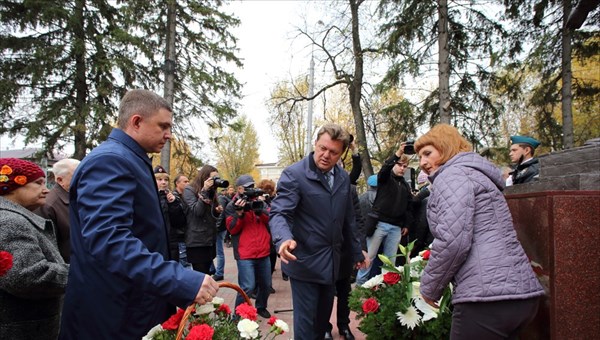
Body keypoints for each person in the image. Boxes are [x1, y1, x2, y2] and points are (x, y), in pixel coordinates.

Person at [59, 89, 218, 339]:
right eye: (163, 126)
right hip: (113, 315)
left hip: (132, 306)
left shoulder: (130, 159)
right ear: (136, 122)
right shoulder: (110, 161)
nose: (169, 135)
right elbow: (110, 241)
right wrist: (179, 280)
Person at [415, 124, 545, 339]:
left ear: (446, 148)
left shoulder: (453, 175)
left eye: (428, 153)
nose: (423, 163)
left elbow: (453, 240)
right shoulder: (476, 174)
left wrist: (429, 288)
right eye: (420, 157)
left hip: (487, 298)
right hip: (519, 294)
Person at [269, 123, 368, 339]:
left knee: (321, 324)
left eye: (333, 152)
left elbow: (349, 220)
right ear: (315, 144)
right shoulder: (294, 174)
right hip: (304, 262)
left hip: (332, 264)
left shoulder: (342, 178)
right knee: (306, 328)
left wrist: (358, 251)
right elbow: (279, 213)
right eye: (322, 148)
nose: (325, 155)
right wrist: (283, 238)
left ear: (341, 154)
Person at [0, 158, 69, 339]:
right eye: (38, 183)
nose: (46, 190)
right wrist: (81, 272)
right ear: (11, 186)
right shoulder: (9, 222)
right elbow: (28, 277)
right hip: (22, 330)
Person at [325, 140, 368, 340]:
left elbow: (358, 221)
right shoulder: (316, 187)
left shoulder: (349, 189)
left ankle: (343, 325)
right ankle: (325, 327)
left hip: (344, 251)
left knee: (344, 291)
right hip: (323, 252)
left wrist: (361, 249)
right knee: (325, 293)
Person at [355, 144, 415, 285]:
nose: (402, 168)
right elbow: (384, 169)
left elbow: (408, 206)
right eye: (399, 164)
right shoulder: (385, 179)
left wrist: (406, 224)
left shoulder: (405, 186)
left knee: (390, 263)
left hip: (396, 227)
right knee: (368, 258)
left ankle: (386, 291)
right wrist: (397, 153)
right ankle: (359, 288)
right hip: (379, 224)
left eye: (405, 166)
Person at [225, 174, 272, 319]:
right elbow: (232, 229)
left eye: (252, 186)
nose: (251, 189)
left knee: (266, 285)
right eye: (247, 187)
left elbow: (270, 221)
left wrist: (260, 210)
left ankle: (261, 307)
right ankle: (237, 315)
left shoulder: (259, 202)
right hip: (245, 254)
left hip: (263, 251)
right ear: (239, 189)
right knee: (247, 287)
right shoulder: (232, 205)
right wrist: (239, 214)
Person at [35, 157, 80, 263]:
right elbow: (47, 248)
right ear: (60, 180)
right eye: (78, 175)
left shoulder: (78, 197)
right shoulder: (49, 205)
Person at [183, 165, 221, 274]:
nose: (215, 181)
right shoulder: (189, 190)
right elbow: (197, 211)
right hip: (197, 241)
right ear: (205, 177)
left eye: (217, 178)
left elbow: (209, 214)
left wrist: (216, 211)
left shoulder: (212, 191)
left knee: (207, 274)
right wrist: (204, 190)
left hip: (209, 240)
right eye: (213, 178)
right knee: (200, 276)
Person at [155, 165, 187, 263]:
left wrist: (173, 205)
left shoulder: (172, 198)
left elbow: (180, 223)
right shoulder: (148, 197)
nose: (163, 182)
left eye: (166, 179)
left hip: (171, 242)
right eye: (159, 179)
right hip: (155, 242)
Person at [214, 186, 235, 281]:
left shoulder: (220, 199)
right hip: (221, 227)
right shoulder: (222, 198)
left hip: (219, 228)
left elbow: (221, 214)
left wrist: (217, 227)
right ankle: (216, 271)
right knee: (218, 250)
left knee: (219, 251)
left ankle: (219, 273)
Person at [173, 174, 191, 268]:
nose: (188, 183)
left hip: (187, 235)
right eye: (185, 181)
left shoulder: (186, 197)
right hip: (180, 236)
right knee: (184, 265)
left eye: (188, 181)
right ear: (177, 183)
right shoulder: (173, 198)